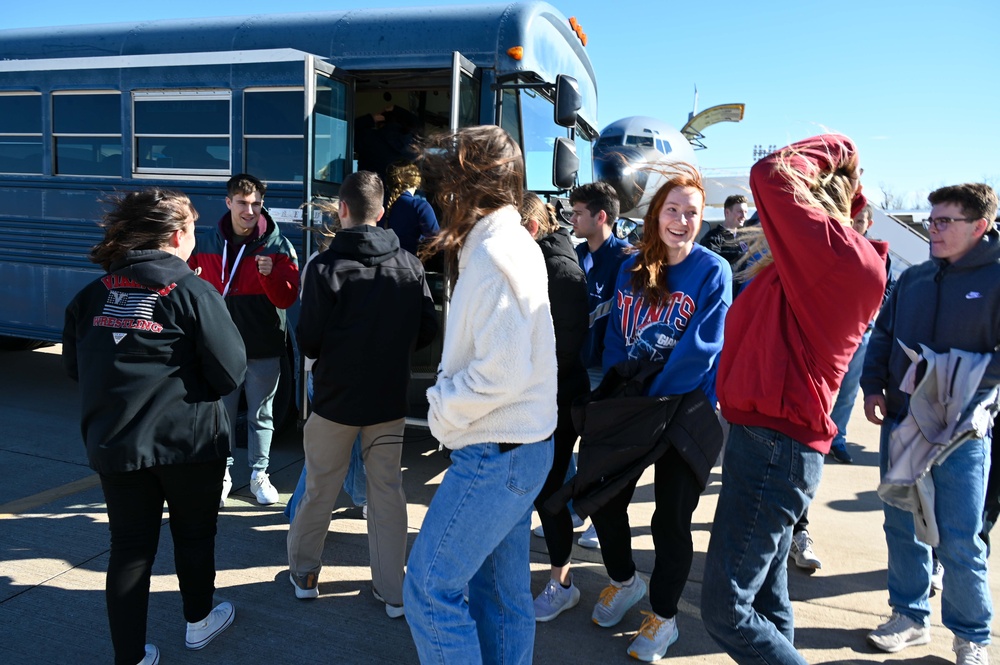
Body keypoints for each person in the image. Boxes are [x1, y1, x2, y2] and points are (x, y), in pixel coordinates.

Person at [701, 134, 888, 664]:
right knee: (765, 597)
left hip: (773, 449)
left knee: (725, 609)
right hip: (764, 444)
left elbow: (768, 175)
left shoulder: (841, 262)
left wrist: (842, 150)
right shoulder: (814, 266)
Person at [63, 189, 246, 665]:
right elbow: (230, 372)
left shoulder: (90, 295)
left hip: (117, 444)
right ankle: (199, 622)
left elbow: (76, 369)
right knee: (194, 535)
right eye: (192, 227)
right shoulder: (193, 291)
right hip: (191, 444)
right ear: (176, 235)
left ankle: (130, 656)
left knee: (128, 548)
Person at [403, 126, 557, 664]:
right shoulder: (509, 242)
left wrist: (442, 407)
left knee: (428, 590)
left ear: (463, 186)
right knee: (502, 596)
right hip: (521, 448)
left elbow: (502, 373)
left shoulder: (492, 255)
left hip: (495, 452)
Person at [586, 165, 731, 662]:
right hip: (631, 405)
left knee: (671, 518)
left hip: (683, 409)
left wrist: (651, 403)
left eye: (692, 212)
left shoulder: (713, 269)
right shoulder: (632, 265)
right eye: (673, 210)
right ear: (656, 215)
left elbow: (701, 350)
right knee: (604, 501)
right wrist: (618, 392)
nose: (682, 220)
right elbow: (613, 339)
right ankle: (623, 581)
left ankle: (664, 617)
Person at [287, 171, 437, 617]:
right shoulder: (409, 264)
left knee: (320, 489)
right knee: (387, 492)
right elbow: (428, 328)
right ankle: (392, 591)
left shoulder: (323, 267)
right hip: (388, 400)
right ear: (383, 213)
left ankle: (305, 573)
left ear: (343, 210)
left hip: (335, 401)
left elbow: (308, 338)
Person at [861, 183, 998, 665]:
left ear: (978, 227)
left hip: (961, 432)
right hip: (903, 425)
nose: (930, 229)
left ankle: (971, 636)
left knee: (961, 539)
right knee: (900, 524)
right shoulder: (914, 278)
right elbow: (884, 331)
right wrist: (873, 384)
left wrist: (948, 373)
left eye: (944, 222)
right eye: (931, 219)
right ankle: (909, 616)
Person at [189, 173, 300, 506]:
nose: (249, 210)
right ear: (229, 203)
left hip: (264, 345)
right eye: (242, 203)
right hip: (220, 348)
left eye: (255, 203)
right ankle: (222, 473)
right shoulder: (207, 243)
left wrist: (271, 276)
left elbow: (287, 300)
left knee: (261, 415)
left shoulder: (279, 247)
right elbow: (188, 288)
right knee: (220, 415)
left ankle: (259, 474)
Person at [518, 193, 590, 623]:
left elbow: (560, 350)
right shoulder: (544, 262)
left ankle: (562, 583)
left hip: (555, 402)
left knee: (549, 497)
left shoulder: (558, 271)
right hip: (540, 399)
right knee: (540, 494)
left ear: (530, 228)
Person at [569, 180, 630, 549]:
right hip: (574, 365)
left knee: (601, 449)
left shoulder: (626, 259)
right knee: (566, 443)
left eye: (578, 213)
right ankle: (576, 508)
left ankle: (599, 520)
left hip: (606, 371)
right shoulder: (575, 253)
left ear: (601, 216)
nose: (571, 218)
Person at [382, 162, 439, 255]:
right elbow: (435, 241)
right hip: (409, 264)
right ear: (417, 182)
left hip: (379, 265)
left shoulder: (378, 206)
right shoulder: (420, 207)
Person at [699, 194, 750, 269]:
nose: (744, 216)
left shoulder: (745, 237)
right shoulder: (713, 237)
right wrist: (741, 255)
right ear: (727, 212)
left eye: (745, 212)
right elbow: (712, 258)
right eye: (740, 211)